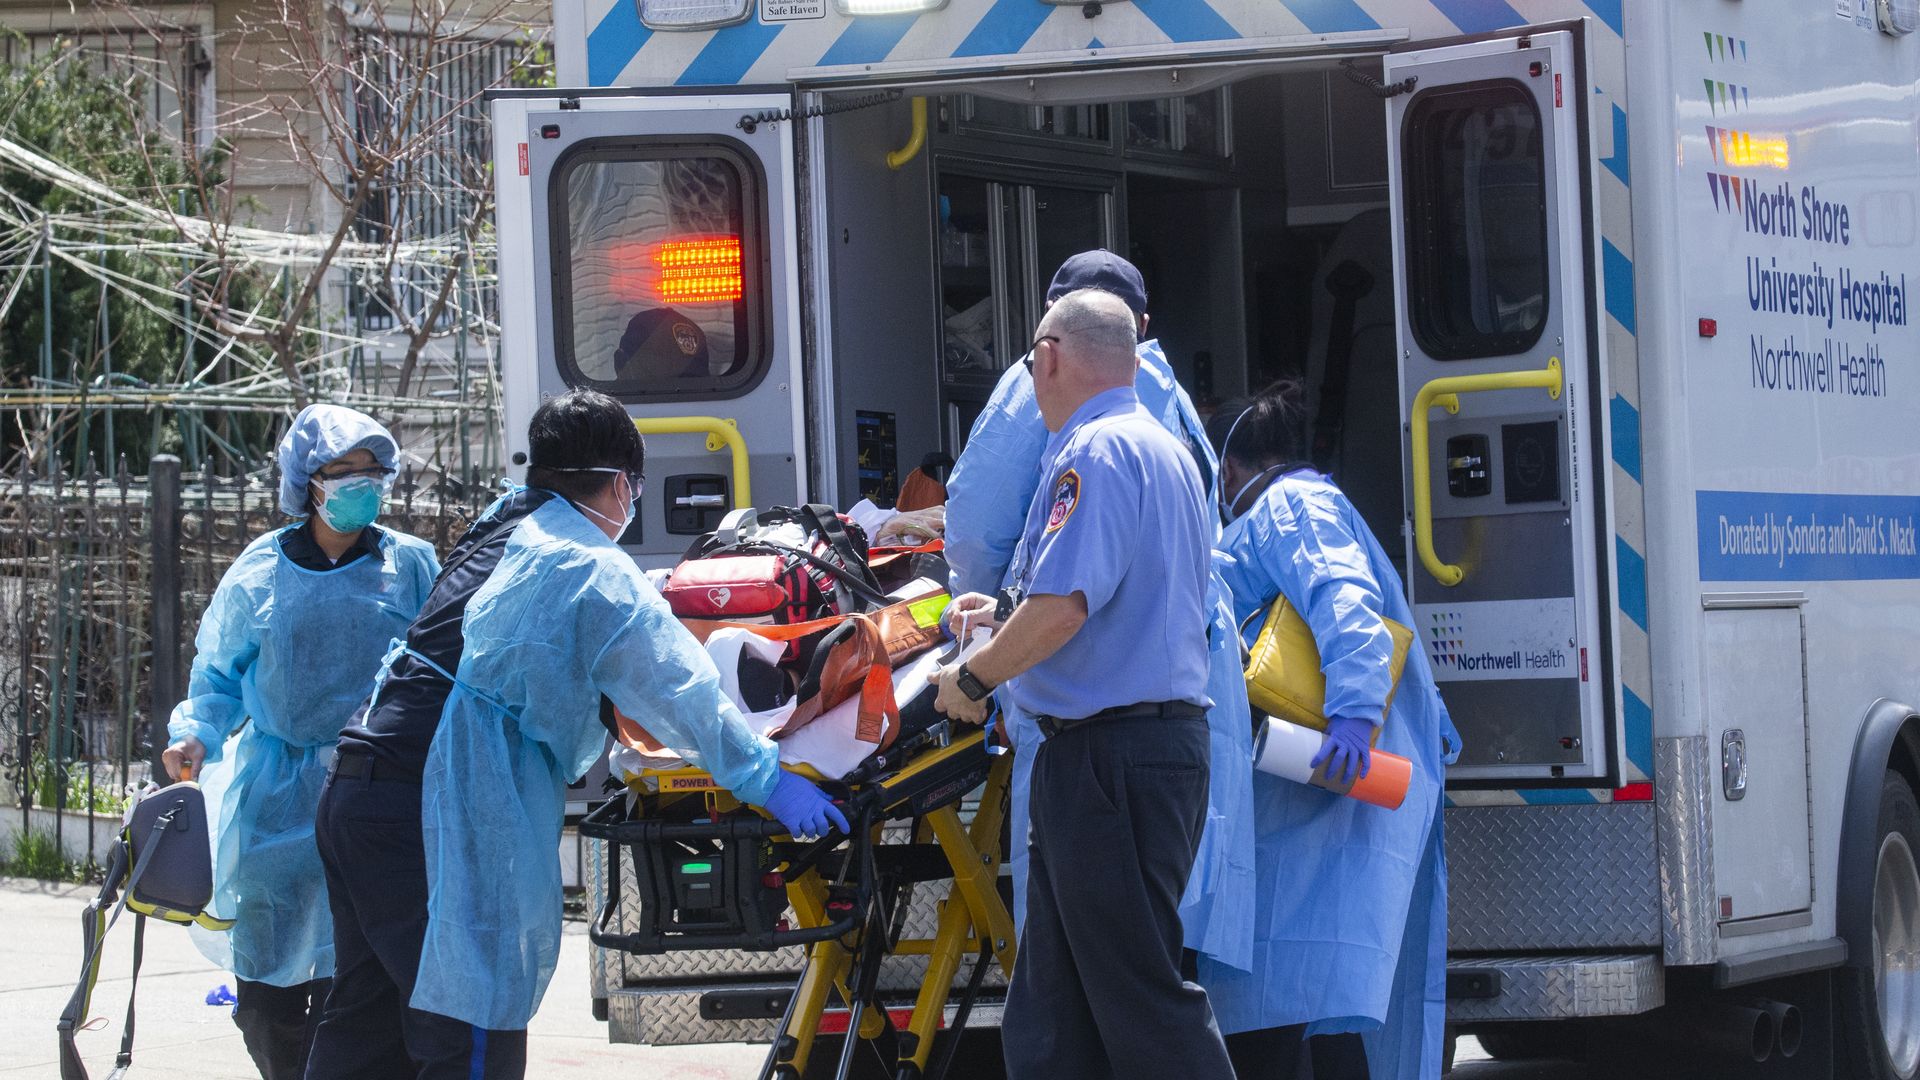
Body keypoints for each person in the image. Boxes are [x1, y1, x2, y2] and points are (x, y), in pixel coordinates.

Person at [304, 390, 846, 1080]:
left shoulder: (503, 526)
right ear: (622, 484)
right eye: (635, 490)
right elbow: (680, 689)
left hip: (356, 792)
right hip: (428, 815)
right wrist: (765, 778)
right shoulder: (588, 565)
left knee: (366, 1027)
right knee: (469, 1030)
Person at [934, 290, 1235, 1080]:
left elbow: (1065, 609)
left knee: (1138, 1001)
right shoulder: (1159, 447)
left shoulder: (1093, 453)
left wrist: (972, 674)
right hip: (1127, 753)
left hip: (1112, 759)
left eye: (1032, 359)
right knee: (1053, 1014)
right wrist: (1000, 615)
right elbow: (1094, 595)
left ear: (1051, 356)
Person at [161, 404, 440, 1080]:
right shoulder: (261, 571)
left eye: (374, 472)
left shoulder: (410, 567)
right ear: (308, 483)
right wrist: (195, 736)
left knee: (374, 973)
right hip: (280, 800)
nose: (363, 487)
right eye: (346, 473)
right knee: (270, 991)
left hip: (383, 792)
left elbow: (442, 669)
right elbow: (217, 673)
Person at [1198, 382, 1461, 1080]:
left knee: (1292, 993)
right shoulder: (1299, 505)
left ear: (1229, 468)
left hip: (1335, 776)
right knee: (1316, 998)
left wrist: (1353, 715)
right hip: (1314, 787)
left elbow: (1346, 602)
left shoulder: (1290, 506)